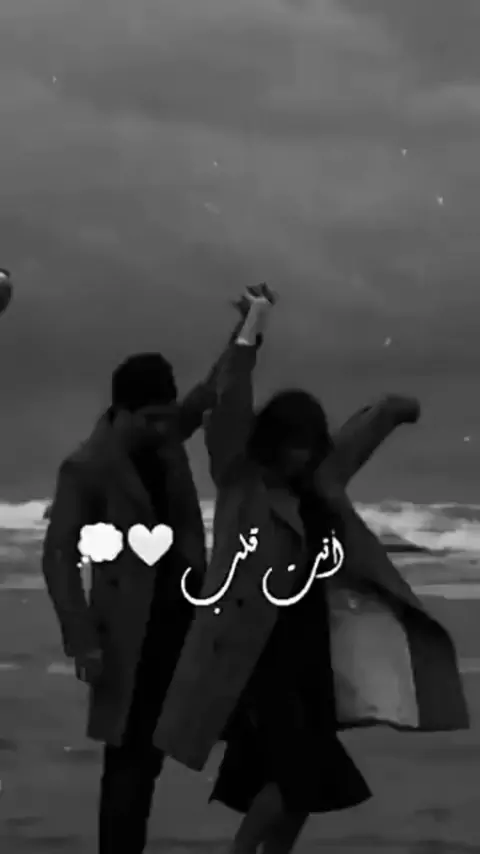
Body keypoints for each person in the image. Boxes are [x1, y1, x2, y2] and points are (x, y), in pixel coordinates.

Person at [153, 289, 469, 854]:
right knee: (297, 773)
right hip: (253, 649)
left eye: (308, 445)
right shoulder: (240, 478)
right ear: (271, 441)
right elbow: (230, 403)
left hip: (307, 644)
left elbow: (353, 443)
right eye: (291, 445)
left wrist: (393, 412)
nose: (300, 456)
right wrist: (252, 327)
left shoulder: (317, 484)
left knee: (306, 779)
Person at [42, 295, 258, 854]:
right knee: (131, 762)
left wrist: (249, 328)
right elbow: (58, 557)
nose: (166, 427)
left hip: (187, 619)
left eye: (168, 416)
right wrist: (82, 641)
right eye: (153, 419)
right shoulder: (86, 468)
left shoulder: (163, 435)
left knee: (233, 725)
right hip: (127, 637)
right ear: (124, 412)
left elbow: (208, 393)